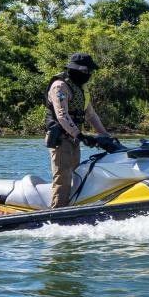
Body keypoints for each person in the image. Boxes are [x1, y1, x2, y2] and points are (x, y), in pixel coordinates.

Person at [44, 53, 111, 208]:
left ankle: (74, 208)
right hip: (60, 140)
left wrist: (106, 135)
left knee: (76, 175)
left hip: (73, 140)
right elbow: (62, 115)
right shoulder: (60, 86)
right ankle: (56, 214)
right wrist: (81, 136)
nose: (89, 75)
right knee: (63, 178)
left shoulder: (80, 88)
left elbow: (91, 115)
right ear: (76, 70)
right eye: (87, 72)